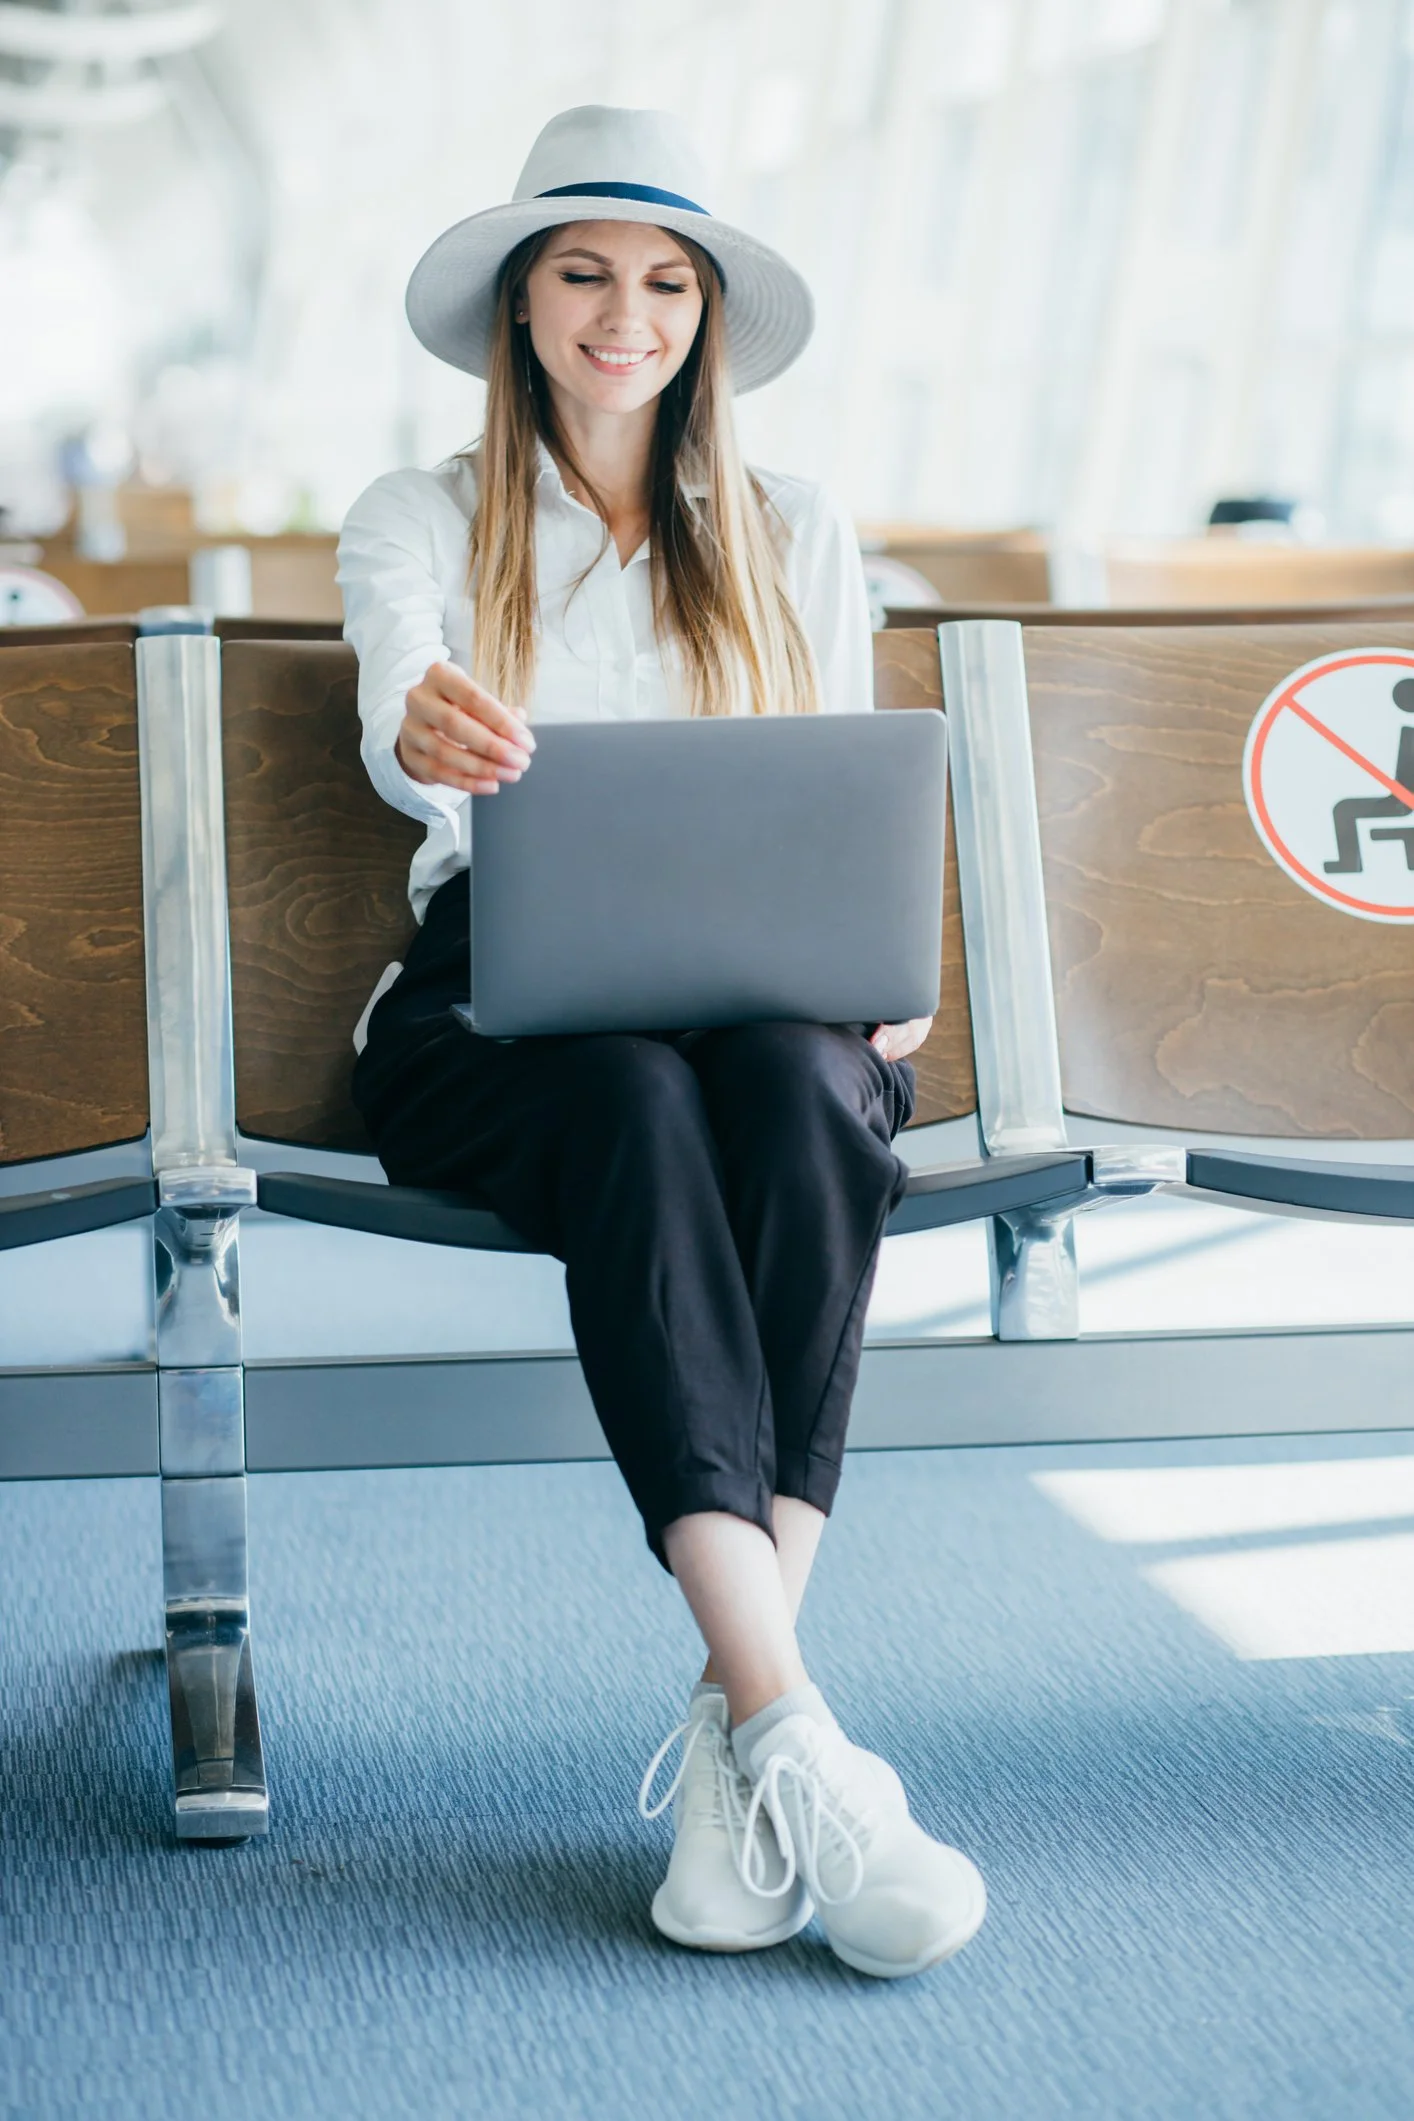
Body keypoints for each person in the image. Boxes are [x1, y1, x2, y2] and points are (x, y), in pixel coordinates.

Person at [338, 104, 986, 1981]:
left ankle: (743, 1737)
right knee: (633, 1100)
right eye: (584, 277)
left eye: (665, 283)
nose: (626, 315)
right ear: (522, 309)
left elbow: (844, 781)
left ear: (701, 317)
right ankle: (798, 1735)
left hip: (765, 992)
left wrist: (888, 956)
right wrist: (435, 728)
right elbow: (402, 704)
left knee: (797, 1091)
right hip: (505, 999)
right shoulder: (422, 517)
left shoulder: (791, 527)